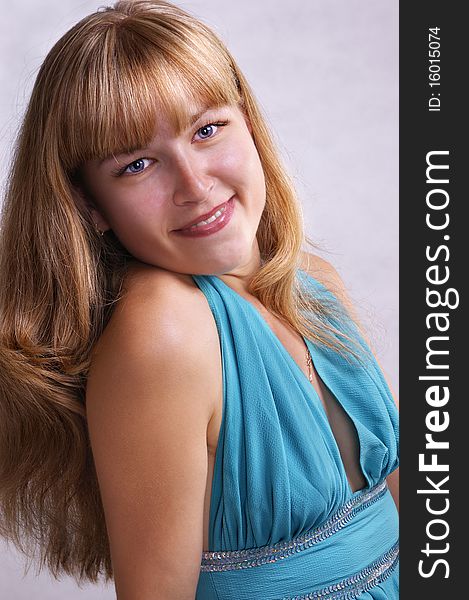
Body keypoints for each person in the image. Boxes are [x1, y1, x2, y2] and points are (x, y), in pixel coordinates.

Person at [0, 1, 399, 598]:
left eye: (207, 130)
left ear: (248, 120)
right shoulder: (164, 327)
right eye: (137, 164)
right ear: (89, 206)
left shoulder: (314, 283)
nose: (194, 185)